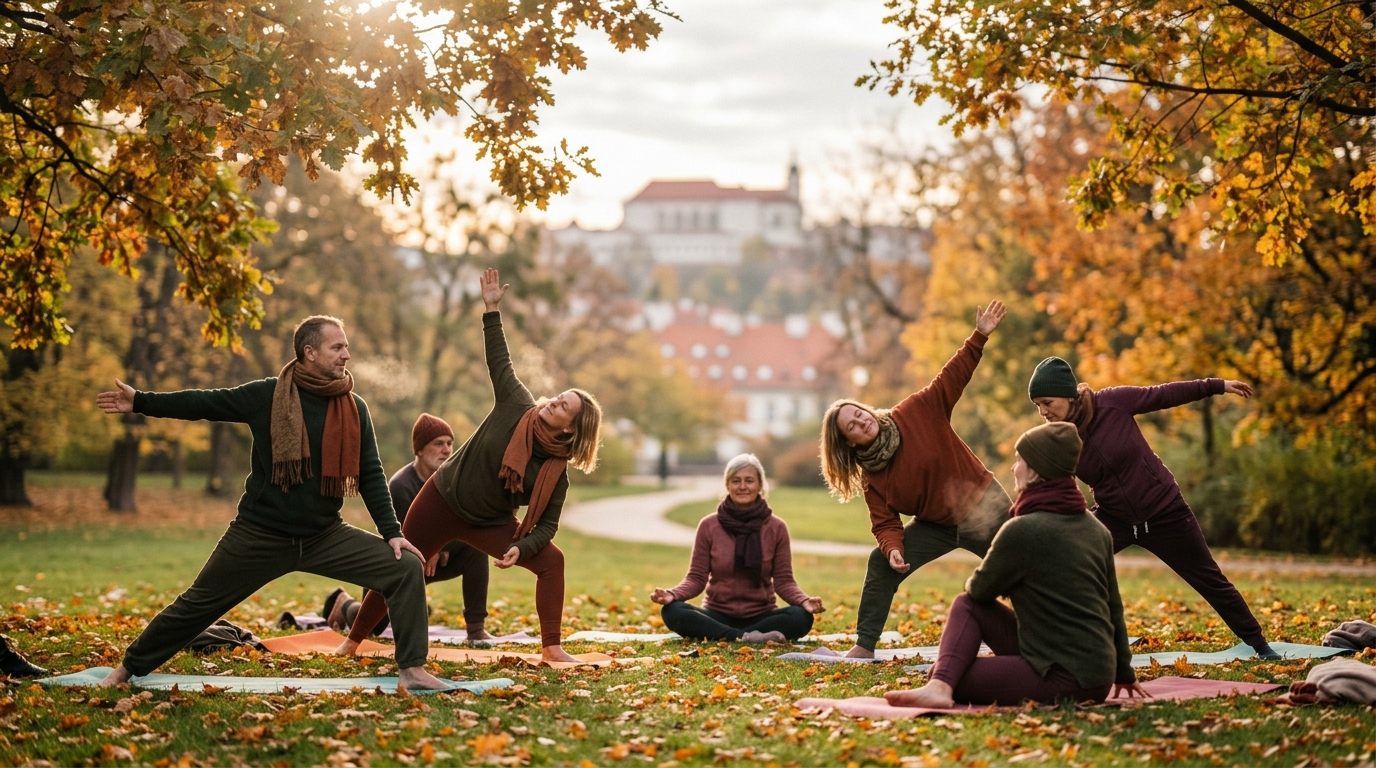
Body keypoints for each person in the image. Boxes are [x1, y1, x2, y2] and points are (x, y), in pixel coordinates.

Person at [93, 316, 449, 690]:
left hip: (324, 535)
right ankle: (126, 670)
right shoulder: (268, 395)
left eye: (345, 346)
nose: (347, 354)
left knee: (406, 565)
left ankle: (411, 670)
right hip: (260, 533)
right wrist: (141, 402)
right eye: (337, 347)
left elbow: (370, 473)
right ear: (309, 353)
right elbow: (206, 402)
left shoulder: (354, 407)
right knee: (197, 605)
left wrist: (392, 533)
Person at [337, 268, 602, 664]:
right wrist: (491, 311)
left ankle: (552, 648)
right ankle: (352, 641)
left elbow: (546, 524)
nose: (553, 403)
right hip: (442, 499)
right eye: (558, 397)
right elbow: (501, 361)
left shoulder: (555, 471)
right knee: (399, 565)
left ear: (572, 427)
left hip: (489, 522)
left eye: (563, 407)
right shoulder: (518, 404)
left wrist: (520, 546)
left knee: (553, 561)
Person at [1027, 357, 1280, 659]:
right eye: (1037, 406)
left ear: (1069, 395)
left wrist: (1216, 385)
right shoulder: (1058, 438)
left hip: (1165, 512)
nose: (1043, 412)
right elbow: (1055, 487)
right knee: (1062, 563)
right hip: (1114, 518)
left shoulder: (1113, 403)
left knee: (1210, 579)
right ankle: (1062, 642)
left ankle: (1260, 645)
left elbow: (1163, 394)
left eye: (1047, 402)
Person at [885, 422, 1147, 707]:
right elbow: (1113, 608)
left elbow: (978, 591)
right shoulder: (1096, 530)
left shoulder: (1023, 529)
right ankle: (939, 686)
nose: (1014, 468)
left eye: (1020, 460)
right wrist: (1123, 672)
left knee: (950, 663)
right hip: (1096, 673)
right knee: (952, 661)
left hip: (1064, 677)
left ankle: (939, 687)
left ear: (1037, 469)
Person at [820, 301, 1012, 659]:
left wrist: (979, 336)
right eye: (852, 426)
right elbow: (884, 523)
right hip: (937, 525)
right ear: (849, 442)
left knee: (1022, 568)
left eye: (859, 413)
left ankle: (1054, 631)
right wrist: (893, 548)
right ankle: (864, 646)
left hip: (983, 507)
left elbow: (950, 378)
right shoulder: (872, 478)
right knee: (879, 562)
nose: (862, 422)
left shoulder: (915, 412)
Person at [327, 414, 493, 641]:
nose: (446, 450)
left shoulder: (455, 482)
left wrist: (440, 546)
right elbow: (407, 539)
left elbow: (468, 527)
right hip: (396, 565)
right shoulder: (401, 486)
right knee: (374, 627)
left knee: (475, 550)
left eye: (449, 443)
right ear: (420, 450)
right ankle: (344, 603)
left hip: (436, 560)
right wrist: (433, 546)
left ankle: (475, 629)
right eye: (438, 444)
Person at [650, 454, 825, 642]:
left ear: (760, 485)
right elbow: (696, 578)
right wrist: (672, 595)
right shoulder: (709, 525)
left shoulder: (776, 528)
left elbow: (784, 581)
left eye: (749, 481)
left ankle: (731, 635)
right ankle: (744, 637)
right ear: (727, 485)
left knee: (800, 617)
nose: (742, 486)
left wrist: (803, 601)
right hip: (716, 614)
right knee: (673, 611)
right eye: (736, 481)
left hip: (762, 615)